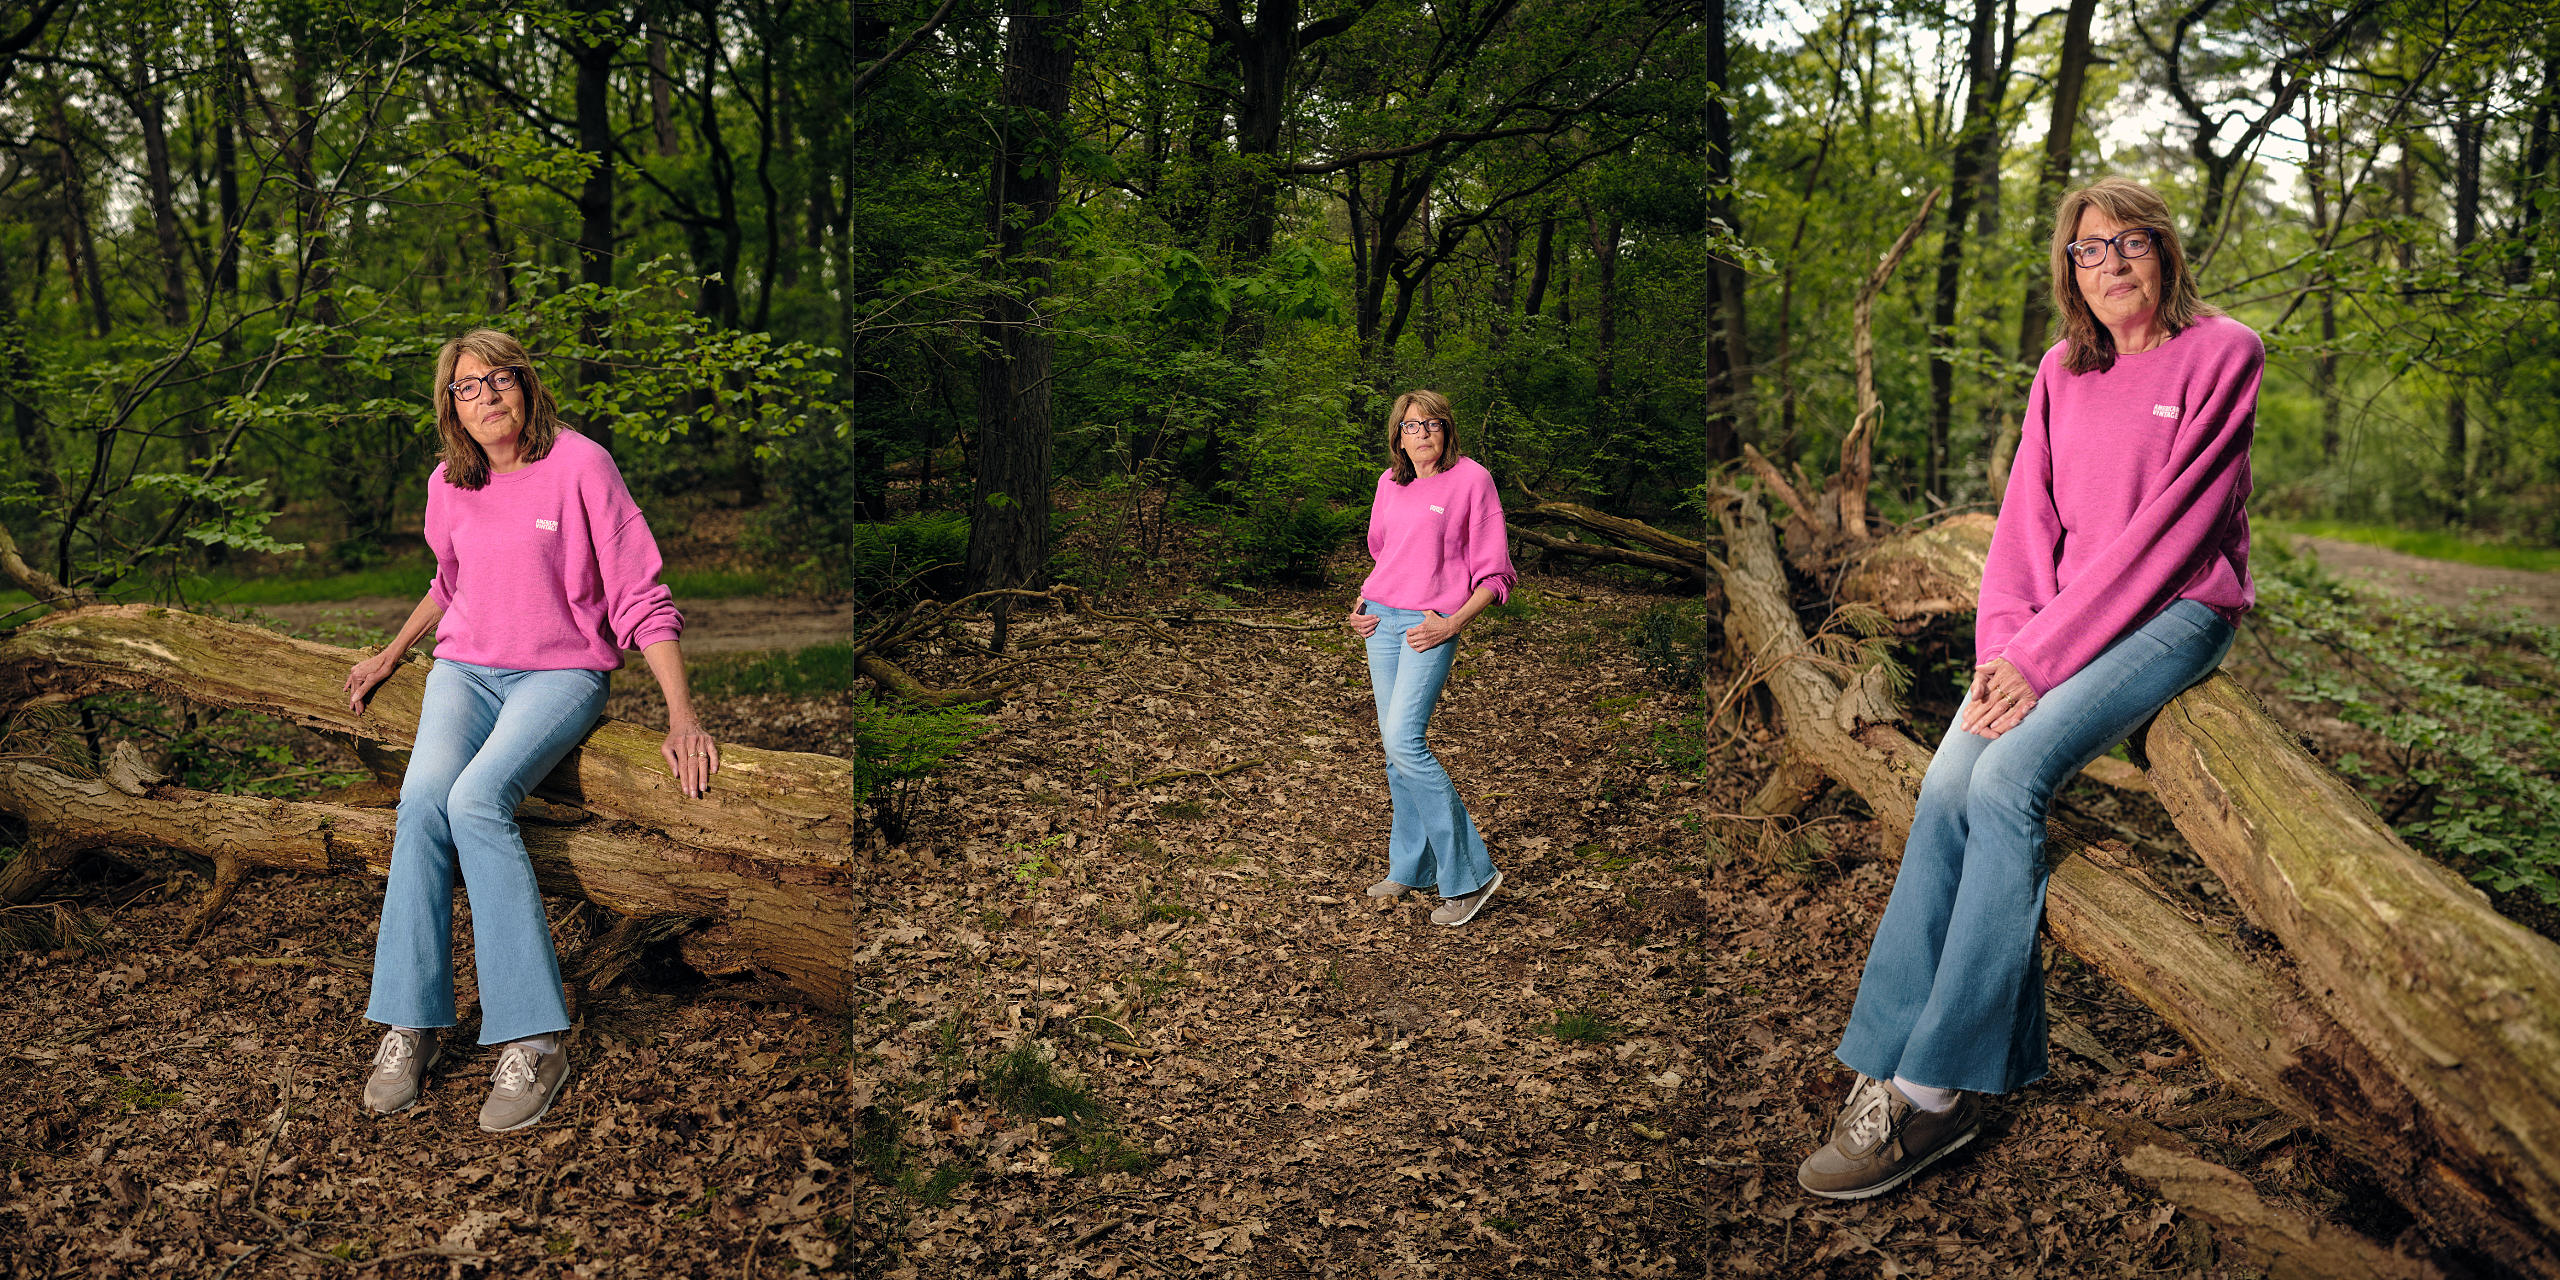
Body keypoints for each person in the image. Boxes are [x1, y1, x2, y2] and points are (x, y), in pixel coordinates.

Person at [1796, 177, 2261, 1199]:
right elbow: (2023, 527)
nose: (2111, 262)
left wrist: (2040, 661)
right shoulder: (2061, 369)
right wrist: (2002, 651)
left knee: (2007, 781)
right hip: (2054, 625)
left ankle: (1935, 1090)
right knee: (1946, 782)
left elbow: (2171, 534)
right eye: (2089, 248)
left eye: (2131, 241)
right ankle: (1889, 1047)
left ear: (2165, 251)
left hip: (2179, 609)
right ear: (2069, 271)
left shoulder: (2225, 352)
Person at [341, 328, 719, 1133]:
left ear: (527, 384)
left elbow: (640, 595)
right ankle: (413, 1021)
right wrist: (391, 653)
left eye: (500, 379)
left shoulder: (582, 465)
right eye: (467, 386)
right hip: (464, 672)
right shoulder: (450, 481)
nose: (486, 396)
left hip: (559, 675)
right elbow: (450, 582)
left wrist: (682, 715)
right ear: (451, 407)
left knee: (476, 800)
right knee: (422, 803)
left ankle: (536, 1040)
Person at [1342, 391, 1518, 928]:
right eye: (1411, 425)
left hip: (1428, 625)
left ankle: (1470, 875)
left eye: (1432, 423)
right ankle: (1411, 867)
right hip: (1380, 623)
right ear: (1398, 436)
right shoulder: (1388, 483)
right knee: (1394, 751)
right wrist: (1363, 602)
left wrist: (1452, 622)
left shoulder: (1472, 480)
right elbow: (1384, 554)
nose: (1422, 433)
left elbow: (1497, 574)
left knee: (1404, 741)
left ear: (1447, 430)